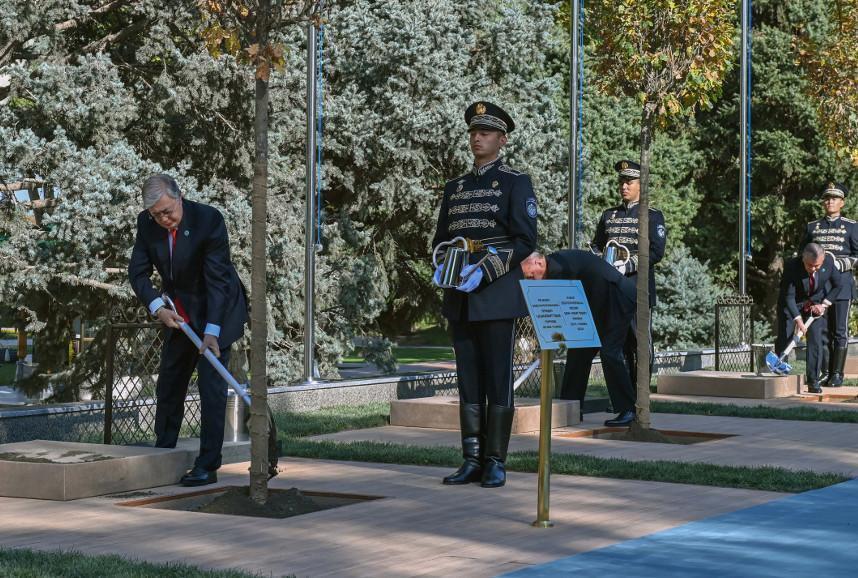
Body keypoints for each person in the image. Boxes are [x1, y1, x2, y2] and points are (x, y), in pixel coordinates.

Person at [431, 101, 538, 488]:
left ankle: (496, 460)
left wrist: (488, 268)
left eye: (487, 133)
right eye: (475, 132)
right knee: (468, 379)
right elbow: (442, 239)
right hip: (460, 294)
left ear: (502, 140)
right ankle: (471, 458)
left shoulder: (515, 183)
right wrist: (445, 267)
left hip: (495, 293)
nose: (478, 138)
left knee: (497, 378)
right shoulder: (454, 188)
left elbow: (526, 241)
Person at [128, 174, 248, 486]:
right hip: (178, 312)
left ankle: (208, 465)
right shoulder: (147, 224)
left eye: (168, 211)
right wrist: (158, 307)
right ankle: (163, 453)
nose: (163, 219)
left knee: (211, 388)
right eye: (156, 215)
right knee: (169, 383)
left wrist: (212, 332)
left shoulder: (208, 219)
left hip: (217, 309)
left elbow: (218, 282)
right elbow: (138, 272)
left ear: (179, 197)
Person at [520, 250, 637, 426]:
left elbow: (557, 308)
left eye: (530, 276)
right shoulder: (556, 265)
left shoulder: (558, 269)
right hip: (599, 303)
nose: (530, 281)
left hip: (617, 297)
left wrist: (550, 341)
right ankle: (570, 408)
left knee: (609, 352)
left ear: (539, 264)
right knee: (579, 353)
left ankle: (628, 409)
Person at [590, 160, 666, 423]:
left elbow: (656, 252)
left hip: (637, 291)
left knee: (638, 348)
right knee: (613, 348)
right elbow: (596, 246)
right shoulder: (609, 215)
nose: (623, 186)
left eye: (629, 182)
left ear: (640, 186)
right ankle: (624, 405)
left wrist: (629, 263)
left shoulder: (652, 215)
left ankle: (639, 401)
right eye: (621, 181)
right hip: (612, 291)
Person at [800, 183, 857, 387]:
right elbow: (803, 254)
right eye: (827, 198)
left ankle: (837, 374)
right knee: (821, 331)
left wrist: (840, 263)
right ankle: (823, 372)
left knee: (839, 331)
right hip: (819, 287)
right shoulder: (812, 227)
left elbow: (857, 255)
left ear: (842, 202)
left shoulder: (851, 226)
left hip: (842, 284)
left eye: (834, 198)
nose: (830, 201)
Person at [776, 243, 843, 394]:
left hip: (815, 305)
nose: (813, 269)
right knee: (785, 337)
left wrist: (824, 305)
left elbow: (838, 285)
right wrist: (798, 320)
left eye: (816, 266)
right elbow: (789, 296)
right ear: (803, 258)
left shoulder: (829, 263)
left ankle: (813, 381)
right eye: (809, 265)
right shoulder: (792, 266)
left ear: (823, 259)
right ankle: (781, 376)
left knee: (815, 341)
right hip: (791, 304)